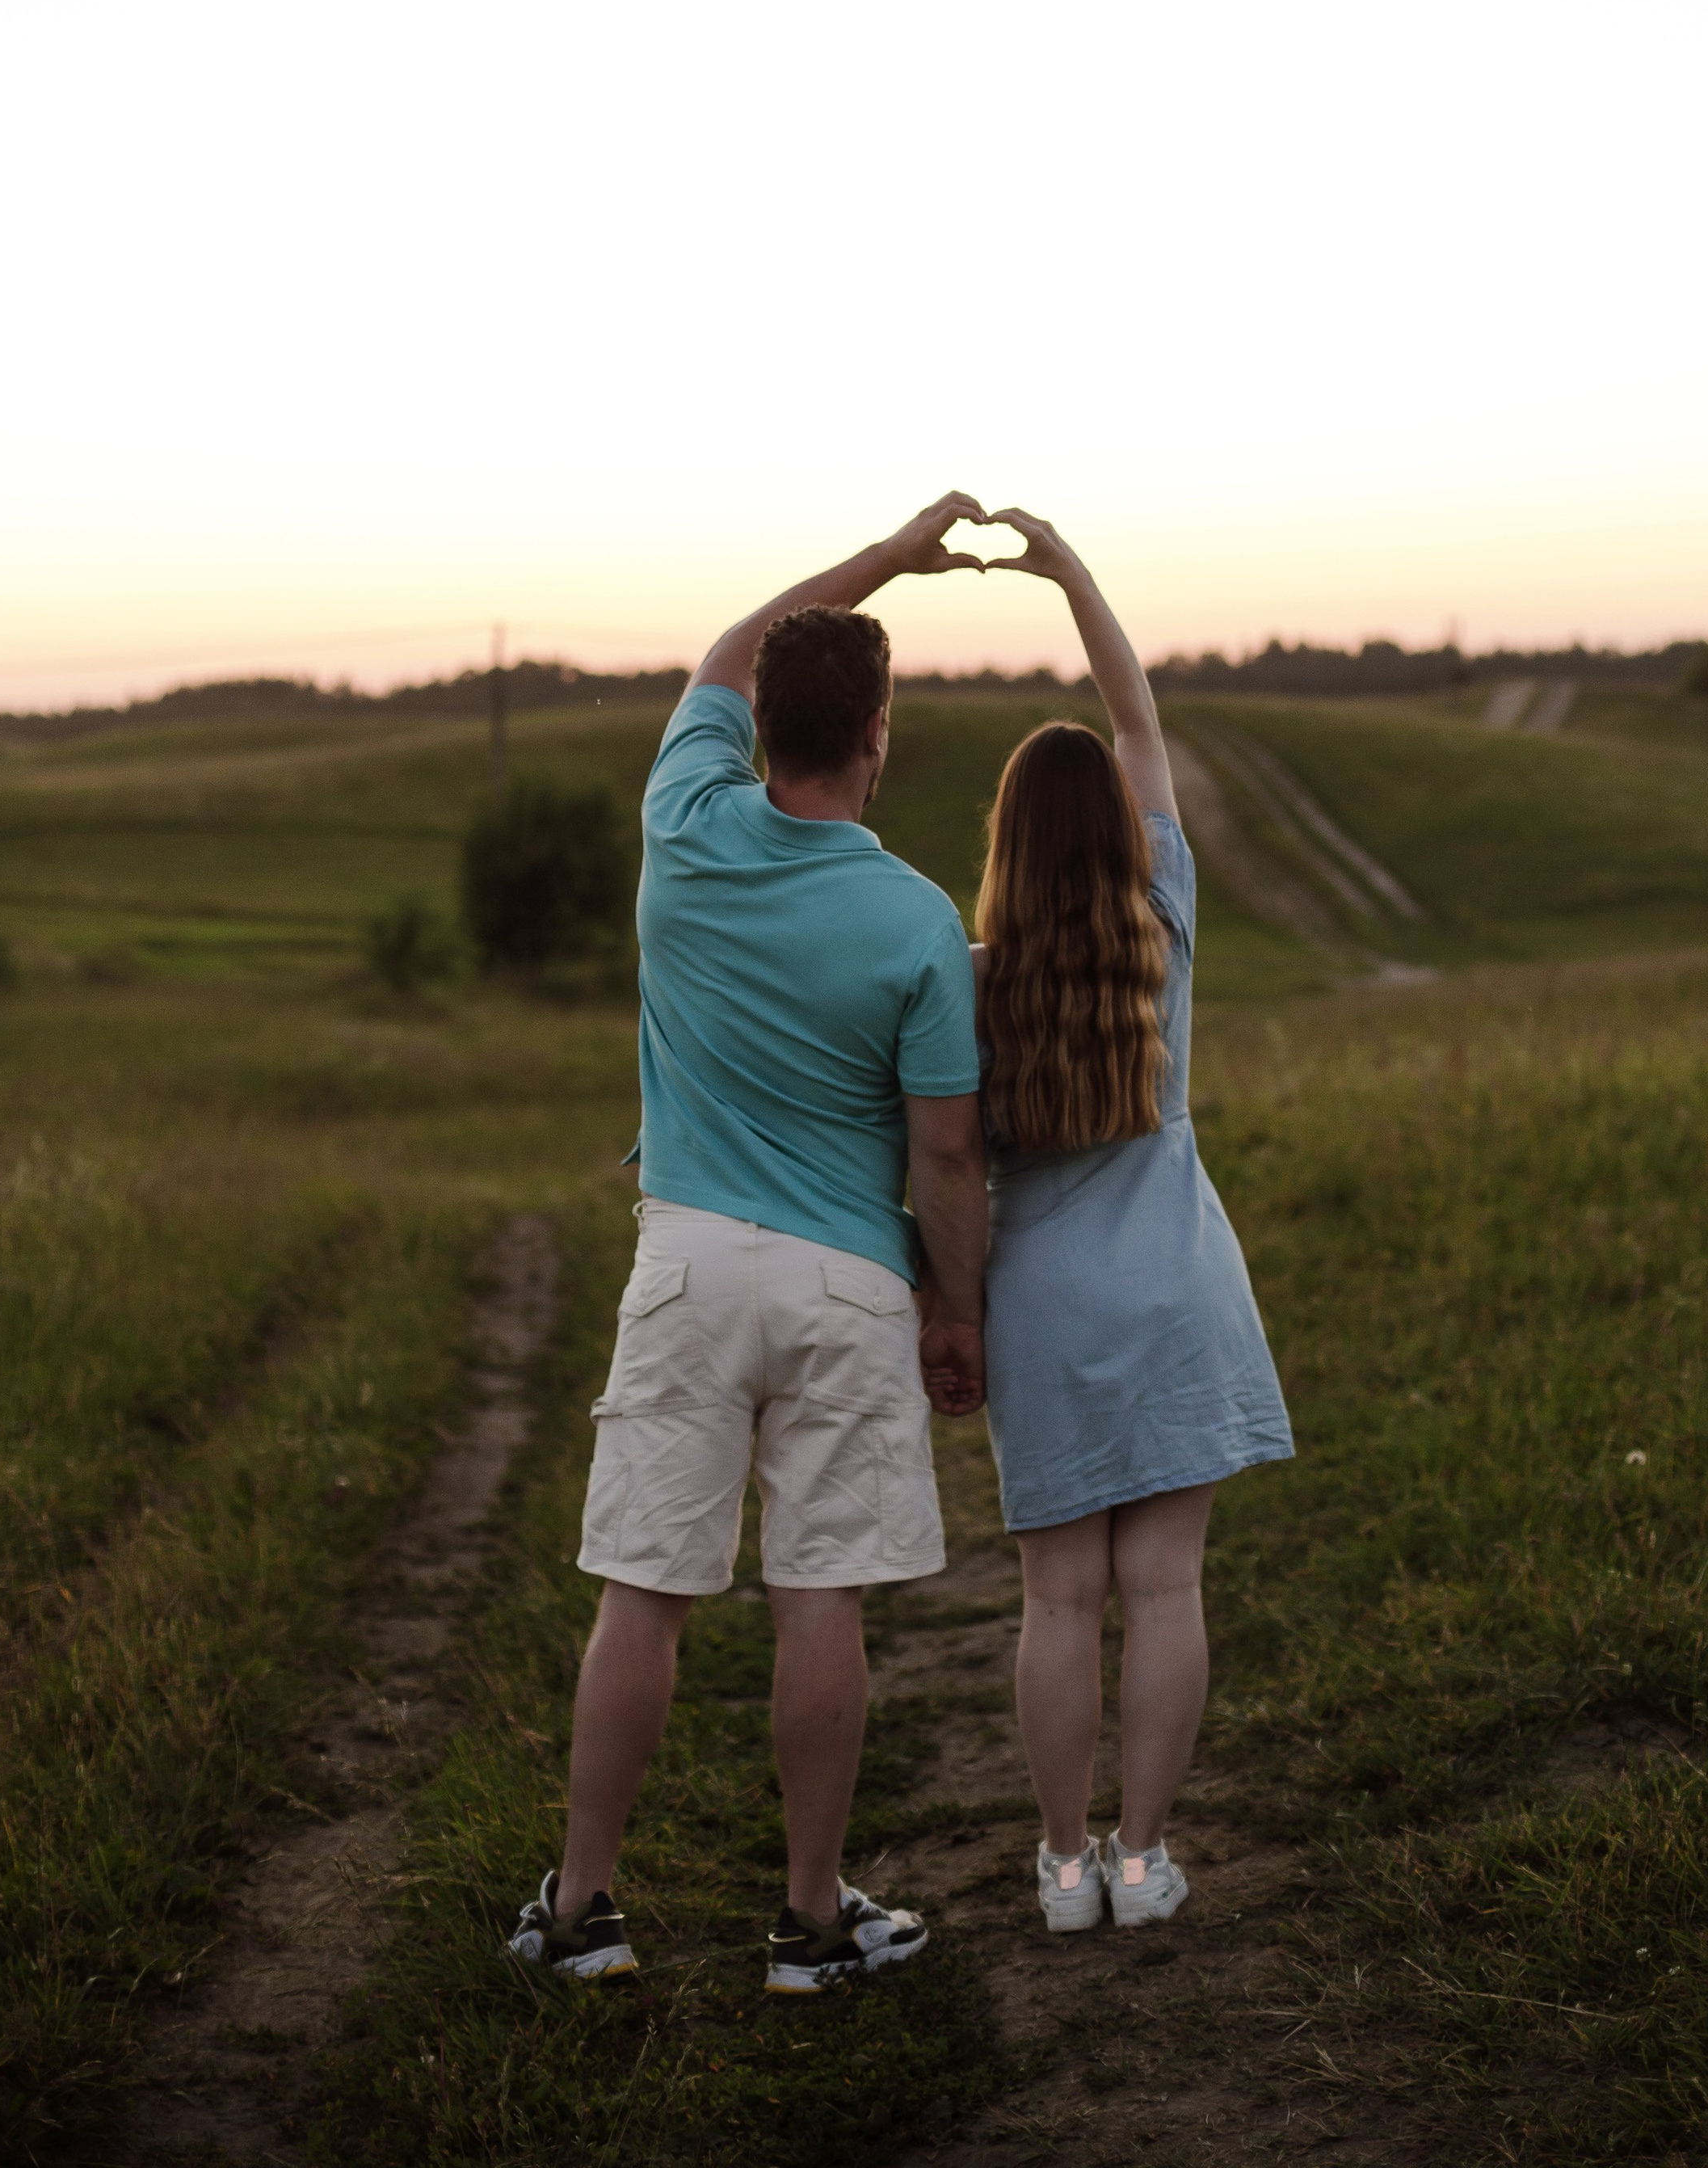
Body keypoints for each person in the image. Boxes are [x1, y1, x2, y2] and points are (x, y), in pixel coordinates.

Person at [507, 496, 995, 1997]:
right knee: (817, 1597)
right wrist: (955, 1313)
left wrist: (890, 555)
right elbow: (947, 1155)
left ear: (756, 723)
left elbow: (730, 638)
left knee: (644, 1593)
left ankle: (584, 1909)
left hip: (690, 1263)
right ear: (880, 735)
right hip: (849, 1281)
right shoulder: (916, 920)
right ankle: (810, 1921)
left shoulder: (687, 821)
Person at [968, 510, 1294, 1933]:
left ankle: (1058, 1864)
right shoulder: (1163, 917)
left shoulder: (970, 980)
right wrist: (1066, 573)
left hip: (1040, 1306)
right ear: (1113, 828)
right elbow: (1138, 716)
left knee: (1058, 1603)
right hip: (1176, 1291)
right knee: (1166, 1590)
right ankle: (1146, 1860)